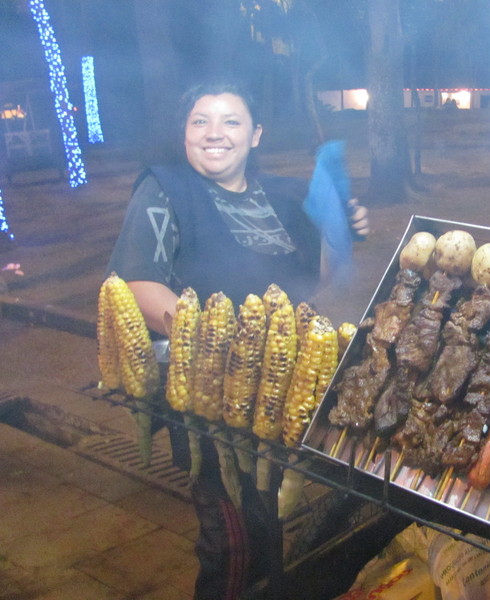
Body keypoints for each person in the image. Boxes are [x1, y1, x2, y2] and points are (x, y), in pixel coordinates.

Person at [106, 80, 369, 600]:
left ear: (255, 135)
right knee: (231, 539)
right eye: (200, 121)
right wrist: (213, 343)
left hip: (281, 390)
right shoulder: (164, 190)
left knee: (267, 516)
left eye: (231, 121)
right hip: (209, 392)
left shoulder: (285, 194)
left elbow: (320, 279)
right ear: (184, 133)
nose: (214, 133)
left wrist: (339, 227)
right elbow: (138, 282)